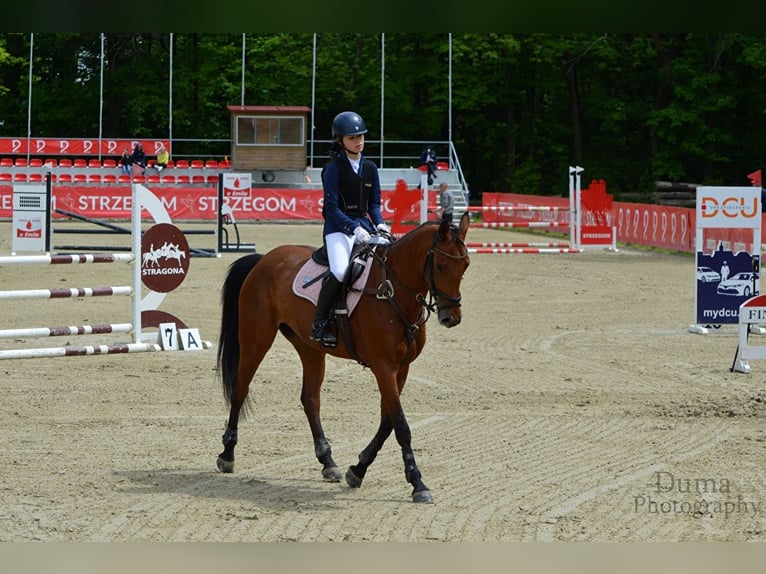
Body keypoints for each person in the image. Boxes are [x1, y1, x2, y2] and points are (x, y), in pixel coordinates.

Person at [310, 110, 390, 347]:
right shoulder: (333, 169)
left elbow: (373, 205)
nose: (359, 141)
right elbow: (331, 208)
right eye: (353, 138)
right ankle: (320, 323)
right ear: (341, 140)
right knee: (340, 271)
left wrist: (381, 224)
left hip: (364, 226)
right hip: (337, 229)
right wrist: (353, 228)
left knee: (387, 259)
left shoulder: (370, 169)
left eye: (361, 136)